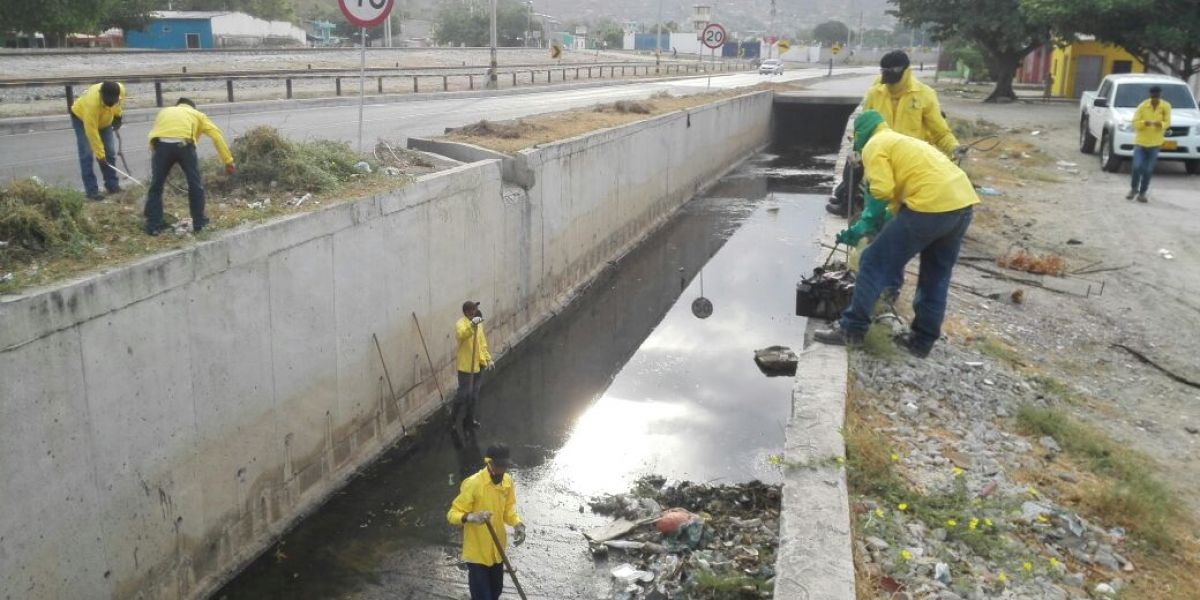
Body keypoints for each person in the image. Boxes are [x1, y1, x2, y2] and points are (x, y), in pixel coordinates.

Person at [814, 110, 979, 358]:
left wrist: (861, 225)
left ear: (861, 133)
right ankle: (921, 342)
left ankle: (852, 329)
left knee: (872, 261)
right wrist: (871, 225)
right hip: (962, 205)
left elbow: (880, 191)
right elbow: (893, 207)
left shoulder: (874, 145)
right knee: (935, 275)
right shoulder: (899, 140)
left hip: (930, 206)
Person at [827, 50, 962, 217]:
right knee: (853, 170)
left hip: (908, 160)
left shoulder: (924, 95)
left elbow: (940, 132)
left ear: (904, 71)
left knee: (894, 201)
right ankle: (848, 203)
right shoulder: (876, 92)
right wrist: (857, 147)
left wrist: (954, 148)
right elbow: (863, 125)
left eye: (891, 74)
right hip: (880, 155)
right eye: (884, 74)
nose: (888, 83)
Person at [143, 98, 236, 235]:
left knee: (156, 186)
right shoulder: (197, 115)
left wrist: (159, 157)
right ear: (193, 107)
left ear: (177, 105)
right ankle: (199, 223)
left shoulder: (165, 111)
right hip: (185, 146)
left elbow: (156, 133)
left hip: (160, 146)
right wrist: (228, 161)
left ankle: (153, 225)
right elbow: (216, 136)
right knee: (195, 185)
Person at [447, 443, 526, 600]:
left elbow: (508, 510)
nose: (502, 470)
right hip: (477, 554)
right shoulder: (473, 484)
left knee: (495, 592)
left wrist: (517, 524)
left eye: (505, 466)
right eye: (499, 465)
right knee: (483, 597)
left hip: (498, 551)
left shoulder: (507, 482)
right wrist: (470, 517)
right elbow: (452, 514)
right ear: (489, 462)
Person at [70, 81, 125, 200]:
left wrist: (118, 116)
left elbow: (118, 105)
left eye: (113, 101)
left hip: (105, 121)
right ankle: (92, 191)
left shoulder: (120, 89)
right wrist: (100, 155)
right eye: (107, 101)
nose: (110, 103)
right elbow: (92, 132)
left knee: (110, 152)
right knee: (87, 154)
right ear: (101, 95)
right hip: (81, 118)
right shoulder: (92, 104)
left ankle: (112, 185)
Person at [451, 300, 493, 430]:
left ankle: (468, 420)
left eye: (475, 309)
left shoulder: (478, 324)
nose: (475, 312)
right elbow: (462, 334)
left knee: (474, 396)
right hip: (466, 367)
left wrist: (488, 359)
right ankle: (452, 420)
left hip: (479, 365)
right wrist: (472, 326)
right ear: (466, 312)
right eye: (473, 310)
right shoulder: (461, 324)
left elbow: (482, 343)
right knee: (464, 394)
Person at [1128, 85, 1171, 203]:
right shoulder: (1143, 106)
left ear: (1160, 95)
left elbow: (1167, 122)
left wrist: (1160, 124)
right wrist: (1144, 123)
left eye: (1157, 96)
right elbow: (1135, 123)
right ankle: (1133, 189)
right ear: (1150, 95)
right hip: (1141, 143)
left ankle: (1142, 193)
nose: (1155, 98)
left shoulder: (1165, 106)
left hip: (1155, 143)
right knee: (1136, 167)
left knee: (1148, 170)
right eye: (1153, 96)